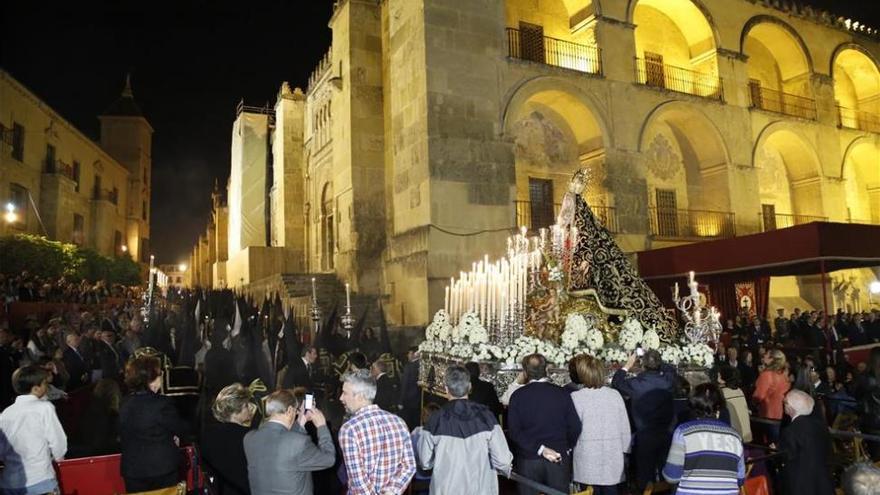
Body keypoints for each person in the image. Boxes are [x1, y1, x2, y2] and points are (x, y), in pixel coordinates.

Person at [417, 365, 512, 494]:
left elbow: (425, 461)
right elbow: (503, 460)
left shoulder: (435, 420)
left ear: (446, 389)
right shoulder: (486, 417)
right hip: (480, 488)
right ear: (470, 387)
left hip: (446, 488)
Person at [508, 353, 582, 495]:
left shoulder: (518, 396)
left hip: (528, 458)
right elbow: (575, 426)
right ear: (546, 369)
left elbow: (514, 432)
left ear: (525, 372)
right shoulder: (562, 393)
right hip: (558, 455)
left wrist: (539, 449)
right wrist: (567, 446)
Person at [243, 389, 335, 495]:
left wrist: (301, 420)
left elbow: (285, 445)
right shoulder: (298, 443)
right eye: (296, 411)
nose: (296, 413)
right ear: (290, 410)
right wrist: (321, 426)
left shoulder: (249, 438)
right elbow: (329, 459)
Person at [119, 355, 190, 492]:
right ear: (150, 379)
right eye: (159, 374)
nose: (162, 377)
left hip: (133, 471)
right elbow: (181, 429)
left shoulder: (124, 403)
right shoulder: (162, 404)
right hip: (161, 469)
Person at [338, 369, 415, 495]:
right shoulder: (399, 422)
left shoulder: (349, 430)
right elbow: (409, 466)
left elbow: (358, 481)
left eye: (345, 393)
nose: (341, 398)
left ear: (360, 396)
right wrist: (392, 491)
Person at [662, 383, 745, 495]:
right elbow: (740, 478)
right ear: (719, 408)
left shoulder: (683, 432)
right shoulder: (735, 437)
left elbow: (671, 476)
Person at [611, 349, 676, 489]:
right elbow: (670, 369)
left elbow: (616, 382)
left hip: (645, 436)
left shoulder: (636, 384)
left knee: (645, 477)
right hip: (667, 434)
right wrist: (656, 360)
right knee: (667, 475)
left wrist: (628, 364)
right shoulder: (668, 381)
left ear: (642, 365)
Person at [0, 365, 67, 495]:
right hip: (40, 480)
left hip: (9, 483)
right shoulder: (45, 408)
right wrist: (59, 459)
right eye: (45, 384)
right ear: (36, 388)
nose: (47, 387)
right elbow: (58, 442)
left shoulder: (5, 414)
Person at [570, 354, 630, 495]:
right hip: (612, 457)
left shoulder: (576, 397)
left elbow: (572, 430)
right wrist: (625, 453)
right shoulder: (614, 395)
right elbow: (625, 428)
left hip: (587, 458)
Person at [202, 383, 256, 495]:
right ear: (237, 410)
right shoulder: (249, 436)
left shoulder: (208, 434)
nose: (249, 408)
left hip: (217, 490)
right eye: (246, 405)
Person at [778, 389, 834, 495]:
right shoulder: (820, 425)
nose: (784, 405)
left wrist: (776, 451)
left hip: (801, 484)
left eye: (785, 402)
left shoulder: (791, 430)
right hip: (823, 481)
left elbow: (787, 456)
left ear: (791, 407)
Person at [752, 348, 790, 443]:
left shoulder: (766, 375)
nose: (764, 356)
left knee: (767, 446)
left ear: (772, 359)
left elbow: (759, 396)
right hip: (781, 416)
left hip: (767, 417)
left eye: (766, 354)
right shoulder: (784, 376)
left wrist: (752, 404)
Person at [717, 365, 752, 443]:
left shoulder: (721, 393)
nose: (717, 375)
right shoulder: (739, 390)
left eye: (719, 374)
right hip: (746, 433)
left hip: (733, 434)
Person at [399, 347, 421, 429]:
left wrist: (400, 401)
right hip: (420, 399)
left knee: (409, 423)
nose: (408, 355)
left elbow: (404, 385)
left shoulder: (409, 367)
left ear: (415, 354)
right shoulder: (422, 365)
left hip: (409, 400)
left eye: (409, 353)